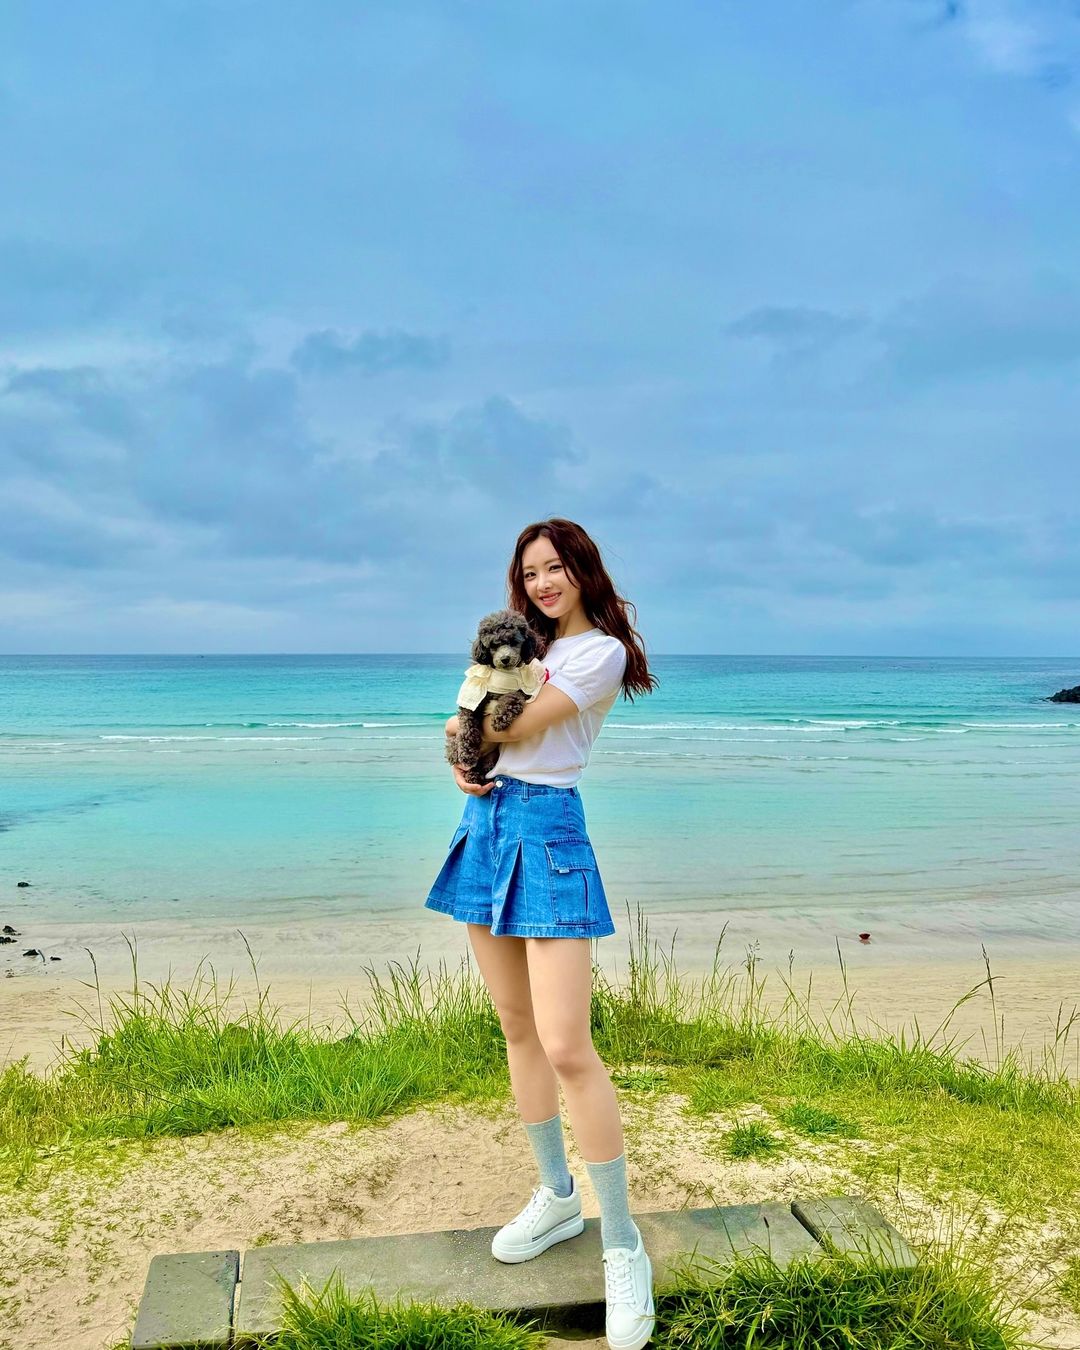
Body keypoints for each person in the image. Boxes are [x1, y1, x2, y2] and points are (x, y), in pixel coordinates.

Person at [425, 517, 659, 1350]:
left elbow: (508, 726)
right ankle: (558, 1197)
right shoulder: (527, 649)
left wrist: (460, 731)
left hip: (549, 830)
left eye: (555, 568)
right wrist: (459, 752)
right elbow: (473, 730)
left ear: (583, 570)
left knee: (567, 1045)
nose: (542, 583)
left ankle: (622, 1245)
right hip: (486, 824)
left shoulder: (598, 654)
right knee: (517, 1028)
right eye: (530, 573)